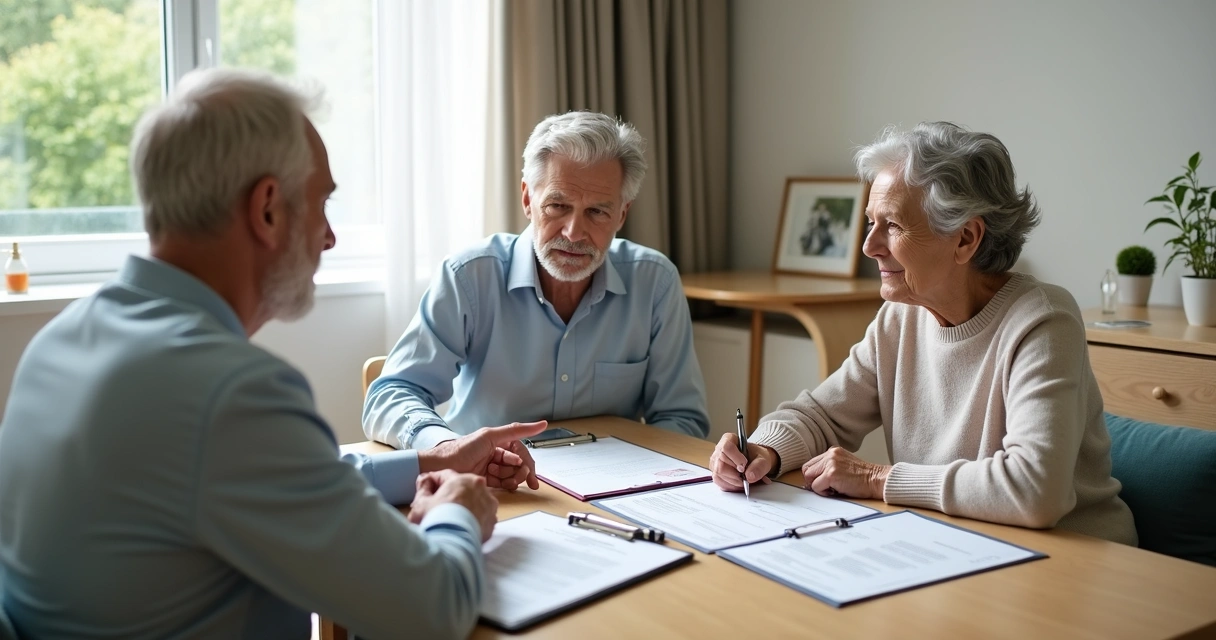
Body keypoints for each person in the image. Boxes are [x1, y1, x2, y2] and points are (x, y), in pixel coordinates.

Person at [0, 68, 547, 640]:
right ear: (266, 208)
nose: (329, 237)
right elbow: (431, 611)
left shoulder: (65, 339)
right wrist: (459, 512)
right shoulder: (228, 392)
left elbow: (265, 475)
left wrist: (435, 462)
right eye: (321, 204)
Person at [709, 122, 1136, 545]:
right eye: (870, 222)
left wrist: (879, 479)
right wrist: (764, 452)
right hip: (959, 546)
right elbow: (820, 416)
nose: (869, 246)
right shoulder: (901, 317)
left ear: (965, 238)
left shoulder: (1042, 321)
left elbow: (1036, 489)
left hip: (1075, 561)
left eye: (892, 225)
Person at [364, 111, 710, 452]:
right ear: (528, 198)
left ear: (622, 213)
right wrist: (447, 447)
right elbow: (391, 395)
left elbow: (681, 417)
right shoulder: (469, 276)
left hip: (611, 489)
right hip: (490, 482)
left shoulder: (655, 282)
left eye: (597, 212)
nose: (574, 233)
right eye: (558, 206)